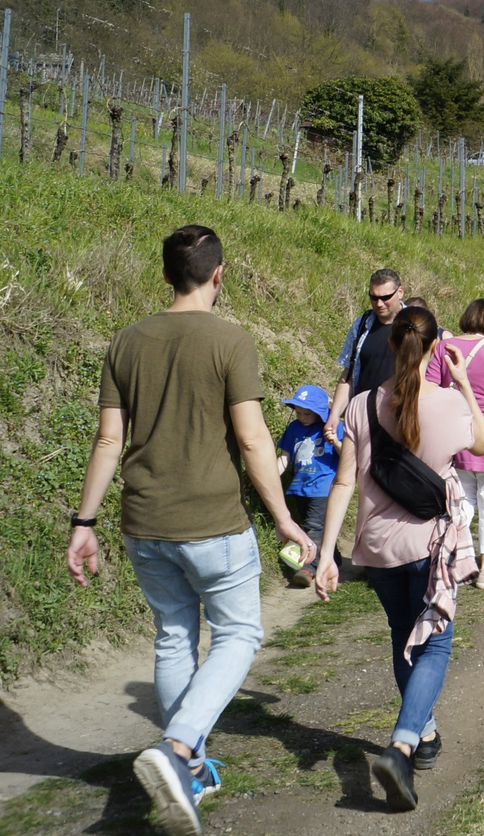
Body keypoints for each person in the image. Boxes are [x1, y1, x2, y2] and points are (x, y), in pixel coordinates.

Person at [67, 225, 314, 836]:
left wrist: (84, 522)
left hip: (144, 523)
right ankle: (178, 750)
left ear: (166, 275)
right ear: (218, 274)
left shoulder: (126, 341)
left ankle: (191, 769)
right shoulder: (230, 340)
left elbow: (108, 440)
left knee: (174, 637)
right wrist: (284, 519)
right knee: (238, 634)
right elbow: (253, 440)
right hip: (214, 524)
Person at [315, 305, 484, 813]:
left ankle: (425, 732)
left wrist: (327, 554)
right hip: (430, 547)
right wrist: (462, 382)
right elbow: (482, 442)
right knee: (435, 644)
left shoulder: (361, 405)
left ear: (391, 345)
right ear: (436, 347)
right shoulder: (449, 403)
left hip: (377, 549)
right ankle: (403, 745)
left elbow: (343, 482)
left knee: (401, 635)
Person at [425, 299, 484, 589]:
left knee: (461, 500)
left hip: (455, 431)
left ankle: (456, 562)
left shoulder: (444, 347)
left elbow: (431, 389)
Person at [325, 268, 408, 445]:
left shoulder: (414, 324)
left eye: (386, 297)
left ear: (400, 292)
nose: (379, 303)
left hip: (399, 420)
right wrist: (335, 414)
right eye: (373, 297)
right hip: (361, 417)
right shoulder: (362, 324)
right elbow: (348, 374)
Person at [276, 383, 339, 588]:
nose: (301, 417)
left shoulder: (331, 426)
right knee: (311, 525)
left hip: (323, 487)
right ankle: (334, 557)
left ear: (319, 413)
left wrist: (336, 442)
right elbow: (285, 457)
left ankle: (309, 568)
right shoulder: (294, 428)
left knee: (313, 527)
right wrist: (271, 476)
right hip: (300, 487)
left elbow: (347, 455)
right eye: (298, 412)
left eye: (307, 414)